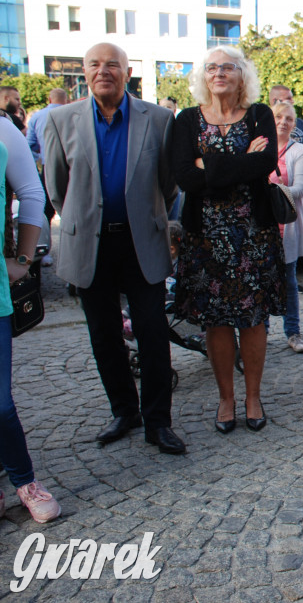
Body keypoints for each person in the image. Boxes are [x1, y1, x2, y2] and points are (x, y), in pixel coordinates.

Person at [44, 43, 185, 454]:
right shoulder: (59, 119)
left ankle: (159, 422)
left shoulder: (158, 119)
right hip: (90, 244)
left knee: (153, 333)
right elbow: (57, 187)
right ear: (84, 73)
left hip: (141, 241)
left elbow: (168, 184)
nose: (103, 70)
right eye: (94, 64)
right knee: (104, 334)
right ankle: (125, 410)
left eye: (113, 65)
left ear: (127, 73)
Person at [171, 45, 285, 435]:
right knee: (216, 323)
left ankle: (253, 396)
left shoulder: (259, 115)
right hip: (204, 239)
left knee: (254, 320)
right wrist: (239, 160)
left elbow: (264, 165)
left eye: (228, 68)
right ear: (203, 76)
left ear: (242, 76)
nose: (219, 73)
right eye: (212, 67)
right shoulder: (186, 120)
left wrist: (210, 162)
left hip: (253, 234)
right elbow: (184, 176)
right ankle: (226, 399)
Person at [0, 111, 61, 522]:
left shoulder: (2, 128)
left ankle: (24, 481)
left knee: (0, 403)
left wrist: (23, 258)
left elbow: (32, 193)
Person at [270, 101, 303, 353]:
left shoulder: (300, 151)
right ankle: (258, 332)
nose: (282, 122)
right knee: (261, 282)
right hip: (262, 228)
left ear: (294, 124)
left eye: (288, 118)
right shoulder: (260, 147)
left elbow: (301, 189)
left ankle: (293, 332)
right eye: (277, 116)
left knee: (288, 281)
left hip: (287, 227)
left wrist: (271, 192)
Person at [25, 87, 69, 266]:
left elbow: (30, 145)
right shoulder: (72, 114)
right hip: (74, 168)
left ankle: (45, 252)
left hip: (47, 167)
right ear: (65, 100)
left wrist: (40, 158)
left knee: (46, 213)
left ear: (50, 100)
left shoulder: (37, 117)